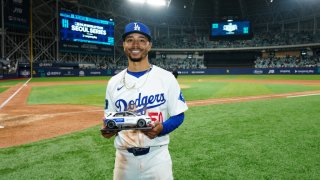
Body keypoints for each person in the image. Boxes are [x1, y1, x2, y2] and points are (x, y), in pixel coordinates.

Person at [101, 22, 188, 180]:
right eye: (130, 39)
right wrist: (108, 129)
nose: (135, 44)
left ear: (149, 45)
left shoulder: (166, 78)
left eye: (141, 40)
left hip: (157, 157)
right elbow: (110, 119)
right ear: (124, 45)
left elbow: (179, 115)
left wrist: (162, 128)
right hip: (124, 159)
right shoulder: (113, 82)